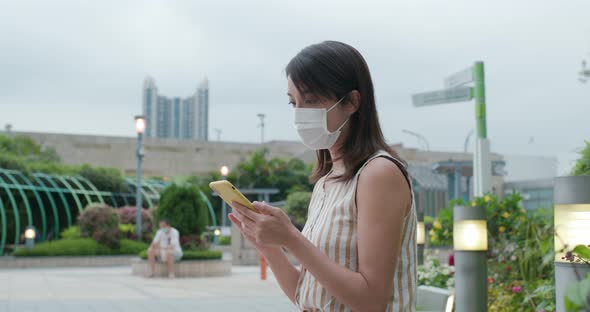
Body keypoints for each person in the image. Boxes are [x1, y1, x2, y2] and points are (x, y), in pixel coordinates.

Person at [229, 41, 417, 311]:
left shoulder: (378, 174)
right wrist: (268, 245)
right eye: (294, 102)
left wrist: (293, 238)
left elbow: (372, 301)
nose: (300, 113)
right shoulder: (327, 181)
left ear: (352, 102)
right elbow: (306, 295)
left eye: (312, 100)